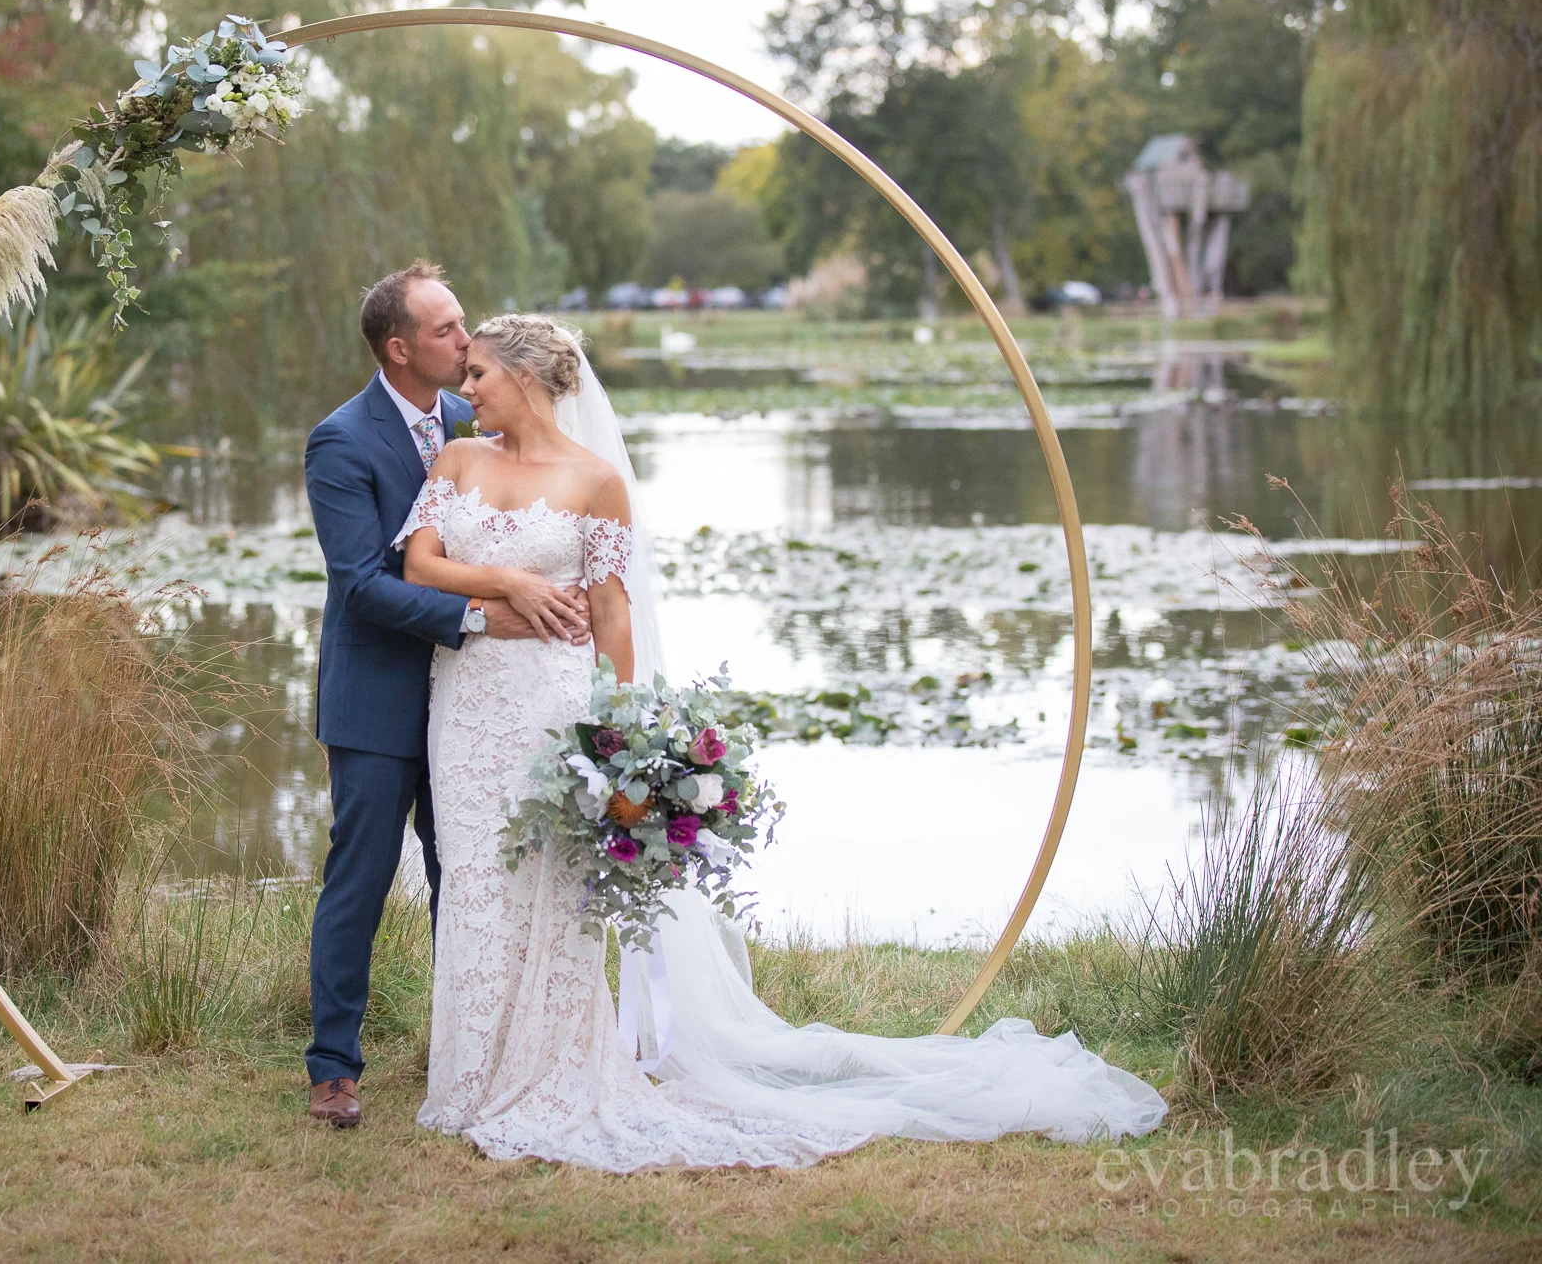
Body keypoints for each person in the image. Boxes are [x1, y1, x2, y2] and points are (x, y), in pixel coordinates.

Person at [388, 310, 1168, 1172]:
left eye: (480, 377)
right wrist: (509, 578)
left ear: (528, 378)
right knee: (473, 884)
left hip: (552, 704)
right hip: (466, 709)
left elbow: (611, 611)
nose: (466, 392)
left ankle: (552, 1069)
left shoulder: (596, 481)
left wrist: (618, 735)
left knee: (555, 892)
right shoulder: (458, 461)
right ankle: (466, 1078)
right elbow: (420, 565)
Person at [301, 262, 591, 1129]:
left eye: (463, 327)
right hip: (381, 697)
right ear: (399, 349)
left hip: (475, 699)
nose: (467, 343)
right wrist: (477, 615)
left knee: (464, 874)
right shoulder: (341, 441)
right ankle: (334, 1066)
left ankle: (467, 1046)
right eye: (446, 331)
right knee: (359, 875)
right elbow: (361, 583)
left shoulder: (479, 420)